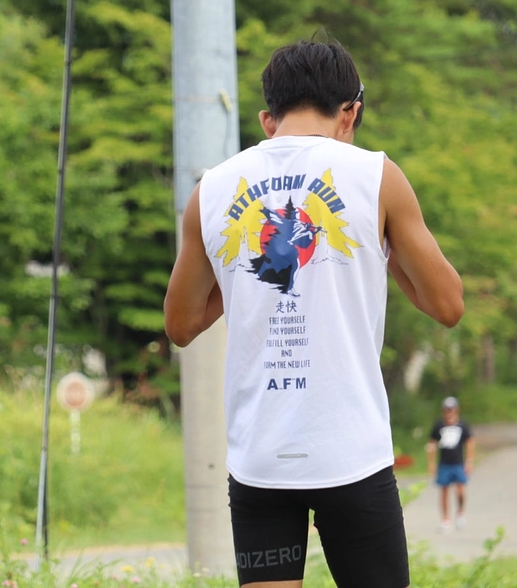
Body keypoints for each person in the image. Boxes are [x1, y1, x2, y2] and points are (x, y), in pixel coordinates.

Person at [163, 39, 464, 588]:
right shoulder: (376, 175)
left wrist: (245, 276)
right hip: (352, 451)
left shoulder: (211, 189)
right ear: (350, 111)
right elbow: (447, 305)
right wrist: (382, 246)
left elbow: (180, 326)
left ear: (266, 118)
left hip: (260, 458)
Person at [426, 396, 475, 532]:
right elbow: (432, 444)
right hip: (444, 464)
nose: (449, 412)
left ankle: (460, 512)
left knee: (460, 491)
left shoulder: (462, 425)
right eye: (447, 410)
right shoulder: (439, 426)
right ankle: (445, 519)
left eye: (452, 409)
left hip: (458, 463)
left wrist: (469, 461)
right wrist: (431, 462)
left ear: (456, 410)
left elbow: (470, 443)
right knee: (444, 491)